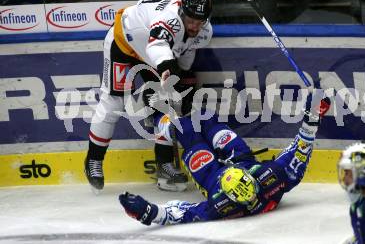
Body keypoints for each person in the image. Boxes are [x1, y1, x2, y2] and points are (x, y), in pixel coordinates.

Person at [118, 91, 331, 225]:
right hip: (242, 161)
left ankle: (156, 116)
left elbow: (182, 213)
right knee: (206, 117)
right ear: (252, 181)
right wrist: (312, 119)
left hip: (210, 176)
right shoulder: (271, 179)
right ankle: (179, 115)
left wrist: (147, 213)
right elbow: (299, 153)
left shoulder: (220, 205)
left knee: (186, 130)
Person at [84, 0, 213, 193]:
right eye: (190, 20)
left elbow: (187, 51)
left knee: (168, 102)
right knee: (113, 101)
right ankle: (94, 160)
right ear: (181, 12)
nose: (194, 26)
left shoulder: (204, 31)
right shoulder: (170, 19)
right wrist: (169, 68)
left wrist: (183, 76)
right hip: (123, 42)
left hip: (151, 52)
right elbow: (157, 45)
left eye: (199, 22)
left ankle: (164, 165)